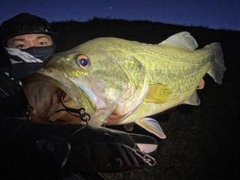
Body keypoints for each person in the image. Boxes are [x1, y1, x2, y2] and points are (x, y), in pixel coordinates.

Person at [0, 13, 158, 179]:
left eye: (41, 43)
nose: (34, 49)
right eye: (21, 47)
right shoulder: (4, 88)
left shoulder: (70, 81)